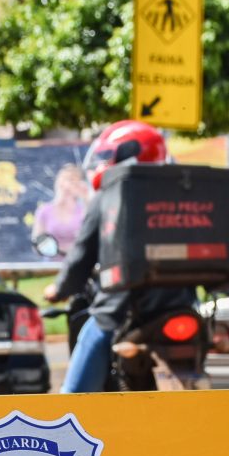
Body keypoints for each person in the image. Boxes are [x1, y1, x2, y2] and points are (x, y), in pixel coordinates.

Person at [45, 120, 196, 393]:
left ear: (129, 155)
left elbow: (81, 258)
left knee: (71, 399)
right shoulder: (183, 199)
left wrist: (58, 289)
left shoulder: (108, 198)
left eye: (110, 155)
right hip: (180, 308)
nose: (106, 162)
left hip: (120, 312)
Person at [31, 163, 88, 256]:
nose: (67, 184)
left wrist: (85, 197)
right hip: (51, 264)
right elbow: (37, 243)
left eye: (72, 180)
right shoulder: (44, 211)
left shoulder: (84, 209)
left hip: (78, 262)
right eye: (64, 179)